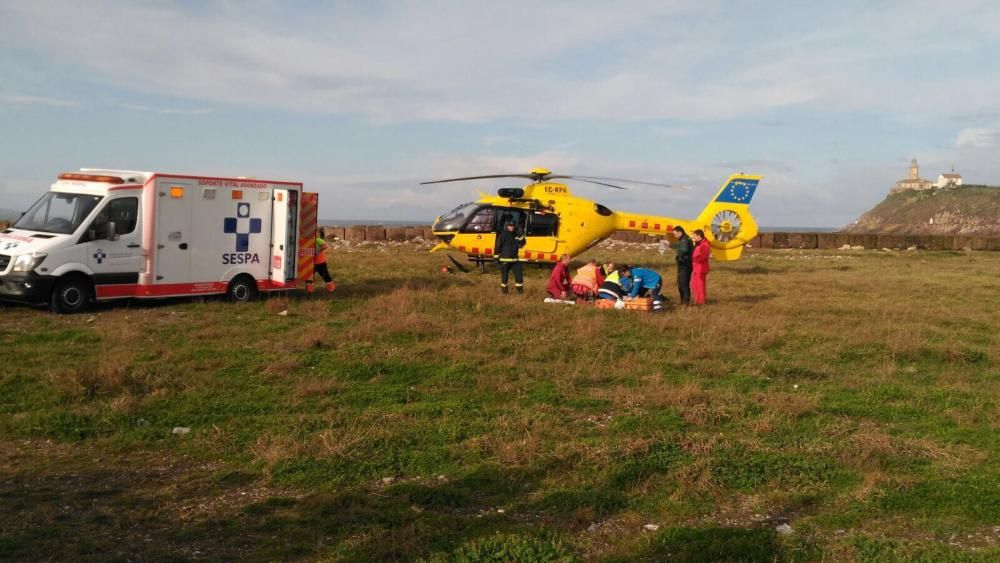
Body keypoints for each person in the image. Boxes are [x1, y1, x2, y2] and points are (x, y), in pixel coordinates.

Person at [495, 220, 525, 294]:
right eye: (510, 225)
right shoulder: (503, 235)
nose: (511, 227)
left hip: (515, 260)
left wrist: (521, 235)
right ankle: (505, 292)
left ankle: (520, 292)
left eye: (512, 226)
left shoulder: (516, 234)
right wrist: (496, 258)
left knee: (519, 275)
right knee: (504, 277)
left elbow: (523, 243)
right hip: (504, 260)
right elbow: (497, 247)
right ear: (507, 226)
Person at [672, 226, 693, 305]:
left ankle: (685, 302)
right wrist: (669, 244)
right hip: (681, 264)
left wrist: (673, 245)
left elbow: (684, 249)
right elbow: (679, 246)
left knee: (684, 283)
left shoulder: (685, 240)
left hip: (685, 265)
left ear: (680, 232)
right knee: (680, 284)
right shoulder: (681, 240)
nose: (674, 236)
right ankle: (682, 301)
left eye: (675, 234)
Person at [691, 229, 711, 304]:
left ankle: (701, 300)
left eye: (694, 236)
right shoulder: (698, 244)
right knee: (694, 285)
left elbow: (704, 256)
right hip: (696, 268)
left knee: (700, 285)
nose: (693, 238)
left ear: (699, 236)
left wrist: (694, 259)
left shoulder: (705, 244)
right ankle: (697, 299)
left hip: (701, 268)